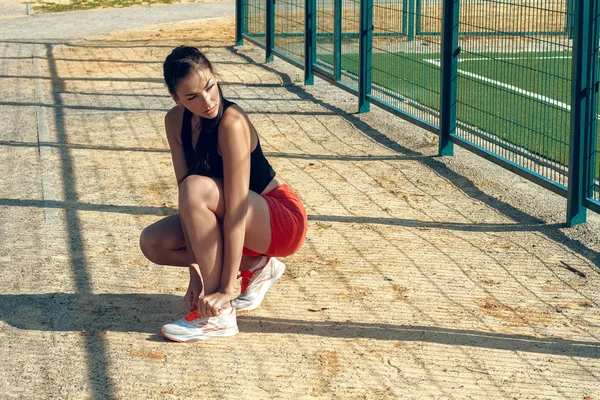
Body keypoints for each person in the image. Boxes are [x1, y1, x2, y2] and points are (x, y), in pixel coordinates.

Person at [139, 46, 307, 342]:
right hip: (231, 216)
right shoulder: (175, 121)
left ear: (215, 78)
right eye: (192, 97)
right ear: (176, 98)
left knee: (196, 189)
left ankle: (219, 316)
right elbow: (187, 204)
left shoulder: (232, 122)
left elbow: (237, 210)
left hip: (279, 219)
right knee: (154, 243)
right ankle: (257, 265)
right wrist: (196, 274)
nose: (207, 101)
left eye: (210, 87)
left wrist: (223, 290)